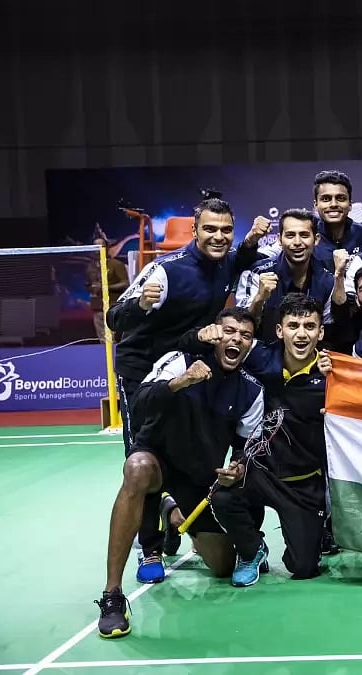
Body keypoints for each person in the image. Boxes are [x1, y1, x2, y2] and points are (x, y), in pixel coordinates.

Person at [105, 198, 266, 583]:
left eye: (226, 230)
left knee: (188, 449)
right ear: (194, 231)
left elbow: (241, 260)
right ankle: (150, 549)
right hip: (143, 368)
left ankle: (175, 509)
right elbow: (114, 318)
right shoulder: (165, 269)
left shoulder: (226, 260)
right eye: (210, 229)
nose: (219, 236)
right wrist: (141, 305)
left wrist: (251, 242)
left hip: (187, 362)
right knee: (140, 459)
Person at [95, 308, 264, 638]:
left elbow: (246, 447)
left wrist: (238, 467)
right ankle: (112, 595)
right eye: (229, 332)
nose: (236, 340)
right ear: (216, 336)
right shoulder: (179, 359)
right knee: (136, 469)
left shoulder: (250, 390)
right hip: (157, 459)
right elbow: (139, 403)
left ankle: (170, 511)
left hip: (197, 478)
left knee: (222, 566)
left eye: (245, 336)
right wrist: (179, 382)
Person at [211, 294, 334, 587]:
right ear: (279, 331)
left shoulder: (333, 376)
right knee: (222, 496)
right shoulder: (259, 359)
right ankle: (253, 550)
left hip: (304, 484)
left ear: (321, 332)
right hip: (261, 471)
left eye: (309, 326)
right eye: (293, 325)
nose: (301, 333)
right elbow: (220, 347)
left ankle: (320, 531)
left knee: (302, 567)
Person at [235, 209, 340, 346]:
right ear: (279, 239)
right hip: (262, 360)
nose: (297, 242)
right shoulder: (256, 273)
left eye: (304, 235)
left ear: (316, 239)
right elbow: (241, 329)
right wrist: (259, 299)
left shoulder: (328, 281)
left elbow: (326, 332)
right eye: (290, 235)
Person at [309, 170, 362, 275]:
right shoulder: (307, 236)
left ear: (350, 204)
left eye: (340, 198)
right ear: (316, 205)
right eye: (326, 199)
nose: (333, 204)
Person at [87, 236, 129, 343]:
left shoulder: (116, 264)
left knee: (112, 338)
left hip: (112, 304)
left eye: (100, 246)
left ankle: (114, 358)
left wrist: (106, 287)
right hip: (98, 306)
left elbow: (125, 283)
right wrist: (92, 289)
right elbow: (88, 284)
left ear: (107, 248)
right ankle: (105, 358)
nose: (97, 250)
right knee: (102, 339)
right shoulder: (90, 267)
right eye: (95, 247)